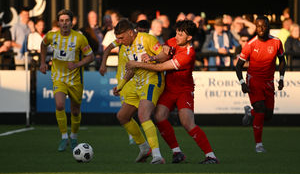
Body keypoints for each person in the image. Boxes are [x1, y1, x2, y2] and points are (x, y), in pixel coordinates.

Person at [126, 20, 219, 164]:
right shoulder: (173, 41)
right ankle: (177, 152)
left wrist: (138, 64)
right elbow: (164, 55)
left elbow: (162, 67)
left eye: (181, 34)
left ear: (189, 38)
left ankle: (211, 156)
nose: (177, 36)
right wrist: (153, 57)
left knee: (187, 122)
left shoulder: (188, 54)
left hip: (184, 91)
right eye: (177, 32)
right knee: (159, 116)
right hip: (169, 89)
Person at [99, 19, 169, 164]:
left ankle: (157, 156)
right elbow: (132, 69)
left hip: (152, 81)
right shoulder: (126, 46)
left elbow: (165, 55)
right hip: (136, 84)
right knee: (122, 116)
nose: (118, 41)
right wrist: (121, 85)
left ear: (131, 33)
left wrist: (152, 58)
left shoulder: (147, 39)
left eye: (121, 37)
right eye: (117, 38)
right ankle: (144, 148)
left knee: (143, 114)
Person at [39, 9, 94, 152]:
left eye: (67, 21)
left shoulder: (80, 38)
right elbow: (43, 44)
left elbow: (90, 56)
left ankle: (74, 136)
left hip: (75, 80)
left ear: (71, 22)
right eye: (62, 21)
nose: (64, 23)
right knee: (59, 105)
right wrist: (42, 62)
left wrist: (77, 64)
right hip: (58, 78)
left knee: (75, 111)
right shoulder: (51, 36)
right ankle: (64, 137)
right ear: (58, 23)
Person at [235, 16, 286, 153]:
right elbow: (238, 66)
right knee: (261, 109)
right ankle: (258, 145)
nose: (261, 29)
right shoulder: (251, 44)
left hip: (269, 81)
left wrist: (281, 78)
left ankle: (250, 112)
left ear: (268, 26)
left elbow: (282, 61)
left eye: (263, 26)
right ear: (255, 28)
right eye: (258, 26)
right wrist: (242, 83)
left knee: (268, 116)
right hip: (254, 80)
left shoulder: (276, 42)